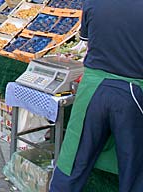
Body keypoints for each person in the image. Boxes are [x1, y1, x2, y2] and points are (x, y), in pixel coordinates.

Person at [49, 0, 143, 191]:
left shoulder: (94, 2)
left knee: (73, 159)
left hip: (92, 88)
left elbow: (87, 42)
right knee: (133, 164)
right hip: (133, 90)